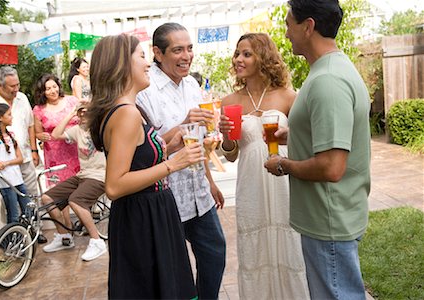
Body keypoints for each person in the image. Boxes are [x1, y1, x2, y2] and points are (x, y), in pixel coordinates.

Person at [264, 1, 371, 299]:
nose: (286, 33)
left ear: (308, 26)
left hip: (329, 220)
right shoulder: (333, 68)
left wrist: (283, 164)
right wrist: (296, 133)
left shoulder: (327, 81)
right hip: (332, 216)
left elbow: (331, 167)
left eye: (289, 24)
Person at [88, 34, 202, 299]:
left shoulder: (126, 108)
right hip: (143, 219)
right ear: (121, 64)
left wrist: (170, 147)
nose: (148, 63)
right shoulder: (126, 113)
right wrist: (173, 164)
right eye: (141, 56)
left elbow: (137, 160)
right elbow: (115, 185)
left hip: (146, 215)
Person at [136, 22, 226, 299]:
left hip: (198, 191)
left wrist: (210, 182)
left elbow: (198, 141)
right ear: (158, 53)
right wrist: (184, 123)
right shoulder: (144, 91)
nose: (186, 56)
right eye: (178, 50)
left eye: (189, 48)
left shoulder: (192, 85)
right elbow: (147, 149)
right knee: (174, 270)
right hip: (166, 196)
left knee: (215, 252)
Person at [218, 33, 310, 299]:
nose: (238, 59)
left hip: (284, 183)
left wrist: (289, 136)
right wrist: (226, 135)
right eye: (237, 54)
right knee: (254, 250)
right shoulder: (230, 102)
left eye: (246, 54)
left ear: (264, 57)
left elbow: (305, 143)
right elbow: (232, 155)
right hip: (250, 186)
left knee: (289, 243)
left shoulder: (289, 97)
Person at [40, 104, 107, 261]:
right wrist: (71, 114)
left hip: (100, 175)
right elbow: (55, 135)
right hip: (82, 175)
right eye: (80, 112)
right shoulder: (78, 130)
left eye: (86, 112)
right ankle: (64, 238)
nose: (82, 115)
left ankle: (97, 241)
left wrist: (92, 108)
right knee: (47, 198)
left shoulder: (101, 128)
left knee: (76, 201)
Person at [0, 66, 39, 230]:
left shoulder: (22, 98)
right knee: (5, 203)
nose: (16, 89)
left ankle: (33, 231)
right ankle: (7, 236)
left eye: (17, 85)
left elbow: (31, 125)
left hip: (23, 157)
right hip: (1, 167)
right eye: (12, 86)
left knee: (30, 196)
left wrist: (34, 150)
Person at [33, 74, 80, 187]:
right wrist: (40, 136)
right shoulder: (38, 110)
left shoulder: (72, 101)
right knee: (60, 187)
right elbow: (37, 132)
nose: (53, 91)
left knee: (80, 183)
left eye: (54, 86)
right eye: (48, 89)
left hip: (76, 148)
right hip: (55, 153)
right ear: (42, 92)